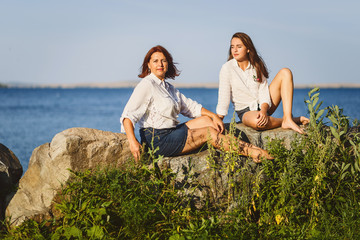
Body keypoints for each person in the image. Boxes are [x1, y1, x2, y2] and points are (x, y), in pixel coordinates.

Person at [120, 45, 272, 163]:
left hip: (171, 132)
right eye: (155, 61)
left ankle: (245, 147)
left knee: (208, 121)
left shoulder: (168, 88)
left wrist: (214, 116)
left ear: (168, 64)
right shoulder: (147, 84)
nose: (160, 64)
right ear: (149, 65)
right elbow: (128, 116)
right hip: (157, 140)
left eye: (163, 60)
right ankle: (252, 152)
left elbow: (191, 107)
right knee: (209, 133)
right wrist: (133, 142)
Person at [216, 32, 309, 134]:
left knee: (285, 72)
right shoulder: (227, 68)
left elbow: (264, 92)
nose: (235, 50)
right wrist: (219, 119)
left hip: (265, 105)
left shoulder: (256, 66)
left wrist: (264, 110)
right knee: (258, 122)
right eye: (232, 47)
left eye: (239, 46)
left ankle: (288, 117)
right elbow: (223, 98)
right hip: (246, 111)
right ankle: (288, 120)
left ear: (248, 49)